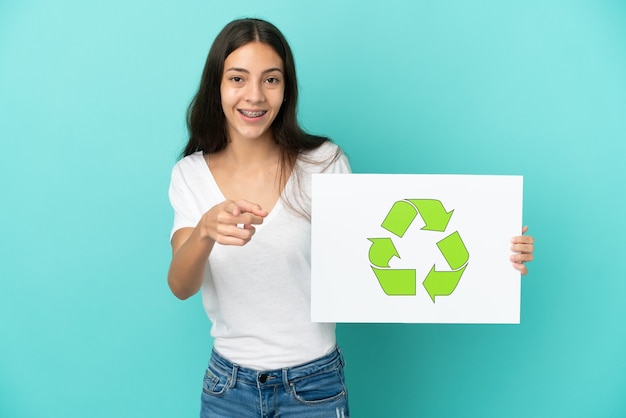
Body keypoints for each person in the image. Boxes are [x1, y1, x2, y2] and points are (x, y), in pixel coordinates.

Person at [167, 18, 535, 418]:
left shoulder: (323, 163)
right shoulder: (191, 174)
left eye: (270, 80)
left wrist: (493, 254)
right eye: (238, 78)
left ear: (285, 88)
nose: (254, 95)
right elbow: (181, 285)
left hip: (313, 387)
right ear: (216, 85)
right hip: (228, 389)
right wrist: (205, 230)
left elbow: (377, 253)